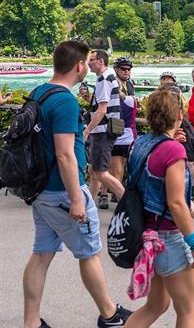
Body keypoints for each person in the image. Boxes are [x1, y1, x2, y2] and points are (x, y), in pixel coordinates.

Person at [22, 41, 132, 328]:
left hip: (41, 189)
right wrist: (76, 199)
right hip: (62, 191)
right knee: (90, 253)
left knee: (41, 254)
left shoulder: (39, 93)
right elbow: (64, 154)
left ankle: (31, 322)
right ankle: (110, 315)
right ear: (79, 65)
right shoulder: (65, 101)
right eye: (86, 62)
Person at [124, 87, 194, 328]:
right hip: (169, 237)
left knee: (156, 305)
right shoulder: (173, 150)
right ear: (179, 115)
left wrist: (171, 142)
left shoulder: (140, 143)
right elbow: (177, 203)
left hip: (147, 234)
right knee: (188, 309)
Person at [160, 72, 194, 235]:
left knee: (176, 193)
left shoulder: (171, 115)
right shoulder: (180, 105)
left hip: (174, 151)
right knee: (177, 192)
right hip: (176, 148)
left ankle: (193, 228)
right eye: (164, 81)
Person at [84, 50, 125, 209]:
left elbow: (102, 110)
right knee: (95, 171)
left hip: (102, 131)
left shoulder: (104, 79)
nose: (89, 63)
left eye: (91, 60)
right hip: (106, 130)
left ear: (101, 61)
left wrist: (87, 130)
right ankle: (89, 207)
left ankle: (129, 203)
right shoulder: (109, 77)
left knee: (100, 172)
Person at [109, 56, 137, 202]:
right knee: (116, 163)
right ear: (116, 69)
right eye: (123, 69)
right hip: (115, 126)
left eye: (129, 69)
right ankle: (115, 193)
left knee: (124, 162)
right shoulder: (112, 84)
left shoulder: (130, 84)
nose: (126, 71)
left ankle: (116, 191)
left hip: (128, 127)